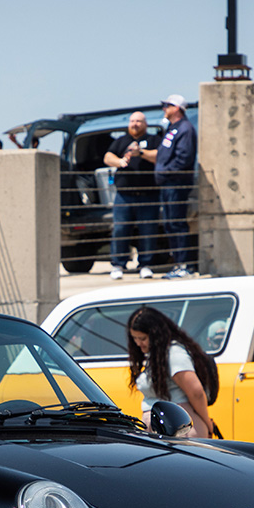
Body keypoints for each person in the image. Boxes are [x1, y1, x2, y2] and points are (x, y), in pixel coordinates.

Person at [126, 306, 217, 438]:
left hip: (180, 430)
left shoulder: (173, 353)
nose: (138, 343)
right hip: (168, 429)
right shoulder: (155, 356)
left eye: (143, 338)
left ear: (156, 335)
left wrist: (208, 423)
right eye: (135, 338)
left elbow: (196, 392)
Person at [144, 95, 197, 278]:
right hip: (167, 184)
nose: (164, 109)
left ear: (177, 108)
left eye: (167, 106)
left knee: (177, 223)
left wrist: (166, 171)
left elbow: (184, 158)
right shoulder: (171, 128)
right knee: (169, 224)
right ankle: (178, 264)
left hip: (176, 183)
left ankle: (185, 266)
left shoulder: (185, 129)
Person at [103, 111, 159, 280]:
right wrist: (119, 162)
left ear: (145, 124)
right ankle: (118, 265)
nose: (135, 124)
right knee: (120, 229)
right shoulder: (121, 141)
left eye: (139, 121)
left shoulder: (154, 140)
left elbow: (160, 157)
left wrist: (141, 153)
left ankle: (145, 265)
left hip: (148, 195)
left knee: (148, 230)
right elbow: (107, 157)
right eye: (132, 121)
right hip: (124, 195)